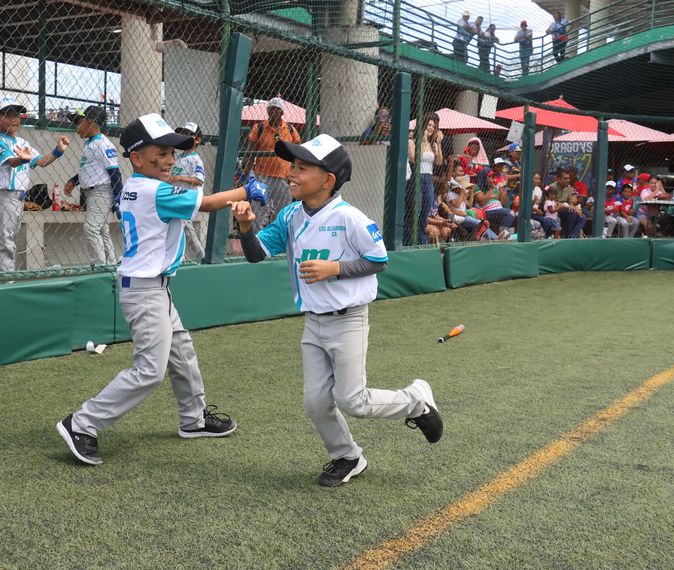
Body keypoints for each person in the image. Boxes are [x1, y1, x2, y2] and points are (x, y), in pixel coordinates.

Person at [56, 113, 270, 466]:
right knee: (149, 371)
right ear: (137, 158)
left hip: (154, 288)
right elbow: (207, 204)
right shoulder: (152, 189)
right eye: (161, 153)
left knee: (182, 352)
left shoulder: (140, 186)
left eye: (172, 152)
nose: (170, 159)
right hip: (144, 291)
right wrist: (247, 190)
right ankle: (82, 423)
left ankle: (194, 419)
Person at [230, 134, 443, 487]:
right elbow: (255, 254)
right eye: (293, 166)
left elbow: (379, 260)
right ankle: (347, 456)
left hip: (349, 321)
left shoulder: (349, 217)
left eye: (302, 168)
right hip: (313, 324)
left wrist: (336, 268)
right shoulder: (290, 215)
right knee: (316, 403)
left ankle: (416, 401)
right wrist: (246, 227)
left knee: (353, 401)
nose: (291, 173)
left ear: (328, 179)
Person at [0, 96, 69, 272]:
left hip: (19, 199)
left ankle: (4, 277)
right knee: (4, 242)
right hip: (5, 197)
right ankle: (3, 281)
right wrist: (21, 159)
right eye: (7, 114)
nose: (13, 119)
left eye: (16, 115)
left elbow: (41, 161)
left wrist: (58, 151)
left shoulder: (22, 142)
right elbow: (11, 162)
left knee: (10, 240)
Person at [64, 105, 121, 266]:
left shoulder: (103, 144)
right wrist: (74, 181)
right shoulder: (89, 143)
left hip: (101, 191)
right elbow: (89, 169)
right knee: (102, 230)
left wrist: (118, 197)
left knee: (91, 228)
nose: (76, 127)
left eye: (78, 122)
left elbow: (114, 171)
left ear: (89, 122)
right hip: (91, 192)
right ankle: (110, 264)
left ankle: (99, 265)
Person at [244, 97, 301, 229]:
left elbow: (297, 151)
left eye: (276, 109)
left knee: (283, 211)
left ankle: (282, 235)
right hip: (262, 176)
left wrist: (294, 173)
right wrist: (245, 174)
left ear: (282, 112)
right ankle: (257, 237)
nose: (272, 112)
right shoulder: (259, 128)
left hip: (283, 177)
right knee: (258, 210)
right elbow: (251, 153)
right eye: (270, 109)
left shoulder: (290, 129)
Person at [170, 121, 207, 260]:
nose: (184, 136)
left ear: (197, 140)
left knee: (182, 228)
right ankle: (198, 256)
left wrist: (179, 178)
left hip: (189, 198)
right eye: (183, 133)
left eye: (188, 134)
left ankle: (192, 257)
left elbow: (199, 180)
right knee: (184, 228)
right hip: (178, 198)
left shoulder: (196, 159)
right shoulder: (179, 157)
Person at [405, 112, 443, 245]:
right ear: (423, 125)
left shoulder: (433, 144)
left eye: (434, 126)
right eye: (429, 125)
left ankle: (421, 242)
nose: (431, 128)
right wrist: (422, 141)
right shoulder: (412, 141)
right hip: (417, 178)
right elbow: (413, 159)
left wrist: (438, 144)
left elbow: (439, 162)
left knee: (425, 213)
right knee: (415, 212)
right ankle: (409, 242)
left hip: (429, 179)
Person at [548, 168, 586, 238]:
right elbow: (551, 201)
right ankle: (568, 235)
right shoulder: (552, 187)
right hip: (556, 210)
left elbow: (570, 202)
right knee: (571, 213)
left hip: (565, 209)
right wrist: (566, 206)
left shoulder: (568, 187)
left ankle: (573, 236)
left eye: (568, 178)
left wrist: (575, 208)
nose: (568, 180)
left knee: (582, 217)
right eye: (565, 178)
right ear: (558, 179)